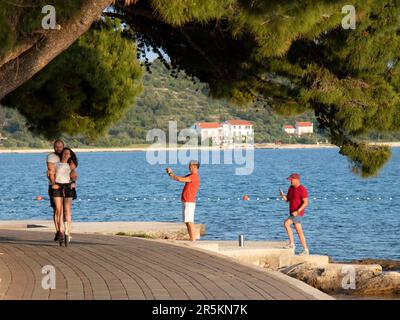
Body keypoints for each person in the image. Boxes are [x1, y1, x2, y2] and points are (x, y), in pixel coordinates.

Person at [47, 140, 77, 241]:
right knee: (57, 209)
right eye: (56, 147)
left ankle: (67, 231)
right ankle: (59, 231)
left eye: (60, 147)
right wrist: (53, 183)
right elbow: (50, 173)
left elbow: (74, 174)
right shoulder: (52, 158)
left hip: (68, 186)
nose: (58, 149)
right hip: (56, 186)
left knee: (67, 210)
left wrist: (73, 181)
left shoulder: (70, 162)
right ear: (54, 147)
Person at [166, 161, 200, 242]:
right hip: (186, 201)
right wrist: (170, 174)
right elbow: (178, 178)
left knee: (189, 221)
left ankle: (193, 239)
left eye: (190, 166)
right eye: (189, 166)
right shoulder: (190, 175)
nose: (189, 167)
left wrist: (171, 173)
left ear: (195, 167)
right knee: (187, 221)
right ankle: (192, 239)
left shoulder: (194, 176)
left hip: (189, 202)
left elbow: (180, 179)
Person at [279, 173, 309, 255]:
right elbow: (287, 200)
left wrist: (297, 211)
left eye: (291, 180)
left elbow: (306, 203)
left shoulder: (302, 189)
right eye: (290, 180)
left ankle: (292, 244)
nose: (290, 181)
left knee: (286, 223)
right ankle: (305, 249)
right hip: (292, 213)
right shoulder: (291, 188)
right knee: (299, 231)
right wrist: (282, 195)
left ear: (296, 180)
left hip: (298, 213)